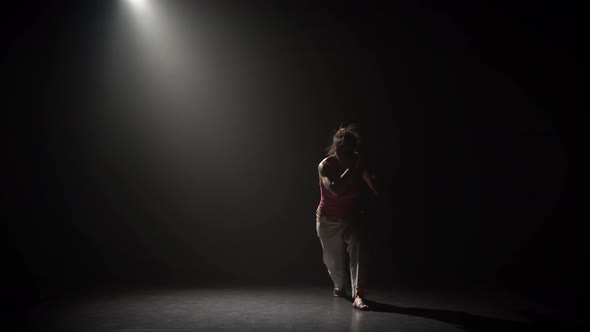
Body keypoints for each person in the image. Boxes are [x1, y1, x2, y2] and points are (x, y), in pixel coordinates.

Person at [316, 124, 378, 310]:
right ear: (336, 150)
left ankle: (359, 295)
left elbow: (377, 189)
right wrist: (352, 169)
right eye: (343, 153)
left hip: (350, 219)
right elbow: (335, 190)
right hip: (327, 221)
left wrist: (368, 173)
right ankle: (339, 286)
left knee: (359, 245)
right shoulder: (325, 165)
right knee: (334, 265)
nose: (346, 157)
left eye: (350, 153)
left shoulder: (357, 164)